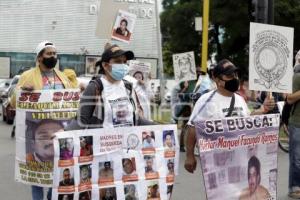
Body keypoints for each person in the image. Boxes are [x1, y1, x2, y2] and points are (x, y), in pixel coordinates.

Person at [184, 59, 275, 174]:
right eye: (229, 75)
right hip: (218, 163)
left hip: (242, 160)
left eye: (235, 74)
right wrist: (189, 156)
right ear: (217, 79)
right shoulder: (206, 101)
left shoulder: (239, 99)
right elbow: (193, 128)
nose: (235, 78)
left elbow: (247, 119)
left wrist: (263, 109)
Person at [11, 41, 76, 200]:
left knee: (59, 177)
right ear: (39, 57)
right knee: (37, 179)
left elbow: (73, 102)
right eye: (49, 54)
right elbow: (14, 102)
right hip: (36, 133)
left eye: (54, 54)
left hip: (60, 133)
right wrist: (20, 91)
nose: (53, 57)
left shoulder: (62, 77)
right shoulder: (27, 76)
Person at [76, 44, 149, 129]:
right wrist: (63, 133)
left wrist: (160, 127)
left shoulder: (129, 87)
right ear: (105, 65)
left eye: (125, 62)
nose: (123, 65)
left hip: (128, 140)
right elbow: (81, 120)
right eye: (118, 61)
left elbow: (136, 119)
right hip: (103, 141)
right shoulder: (95, 87)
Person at [286, 54, 300, 198]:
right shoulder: (297, 76)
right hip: (297, 123)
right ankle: (294, 188)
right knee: (296, 158)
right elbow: (289, 98)